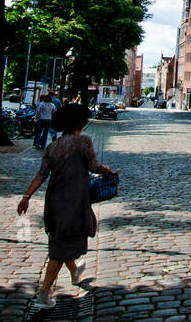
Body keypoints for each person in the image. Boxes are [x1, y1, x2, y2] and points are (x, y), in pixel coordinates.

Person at [18, 102, 117, 308]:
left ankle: (75, 272)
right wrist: (106, 170)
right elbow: (94, 166)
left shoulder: (52, 147)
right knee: (62, 246)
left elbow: (41, 174)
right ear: (79, 123)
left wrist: (26, 196)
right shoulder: (84, 142)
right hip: (74, 199)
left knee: (60, 239)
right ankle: (44, 293)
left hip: (54, 199)